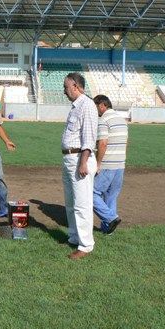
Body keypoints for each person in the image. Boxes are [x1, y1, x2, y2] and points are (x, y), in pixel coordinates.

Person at [61, 72, 98, 260]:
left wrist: (83, 162)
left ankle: (85, 245)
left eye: (66, 87)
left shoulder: (87, 105)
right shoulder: (75, 107)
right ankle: (74, 236)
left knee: (82, 204)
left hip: (79, 159)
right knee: (70, 203)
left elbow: (89, 138)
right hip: (69, 158)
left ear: (75, 86)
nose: (64, 91)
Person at [93, 95, 128, 234]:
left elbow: (103, 143)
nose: (95, 109)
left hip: (108, 164)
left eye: (95, 106)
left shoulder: (103, 120)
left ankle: (111, 218)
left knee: (91, 193)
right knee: (111, 196)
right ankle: (108, 230)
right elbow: (126, 142)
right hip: (120, 164)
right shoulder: (122, 120)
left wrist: (98, 163)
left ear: (102, 105)